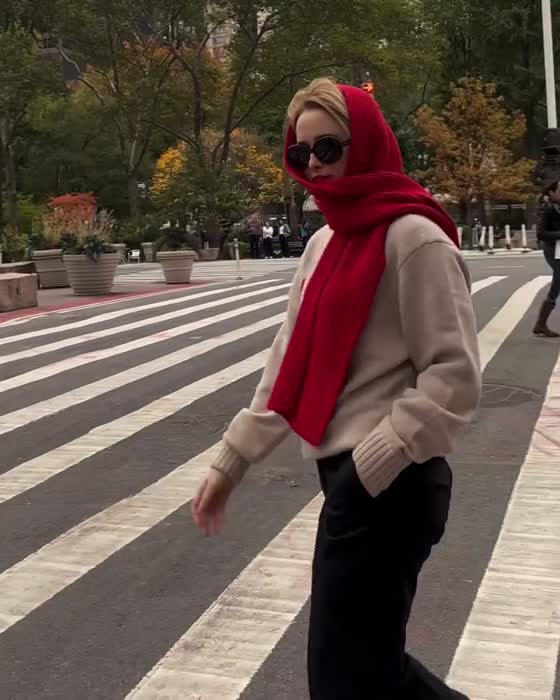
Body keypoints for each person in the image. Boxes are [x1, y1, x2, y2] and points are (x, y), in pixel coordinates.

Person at [192, 78, 480, 699]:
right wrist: (230, 462)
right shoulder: (324, 241)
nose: (314, 165)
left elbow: (454, 373)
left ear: (366, 142)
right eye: (301, 154)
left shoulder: (415, 237)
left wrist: (374, 460)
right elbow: (289, 360)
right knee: (362, 675)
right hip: (352, 486)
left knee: (346, 678)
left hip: (395, 483)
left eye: (328, 148)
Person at [534, 181, 560, 337]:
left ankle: (540, 324)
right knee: (557, 282)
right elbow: (541, 233)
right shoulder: (546, 208)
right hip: (553, 250)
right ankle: (540, 324)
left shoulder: (557, 207)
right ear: (552, 192)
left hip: (558, 249)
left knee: (557, 284)